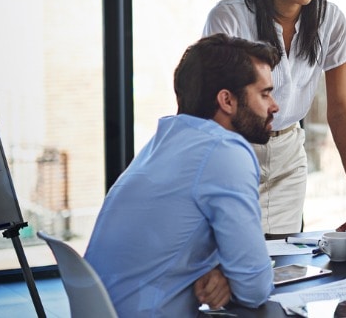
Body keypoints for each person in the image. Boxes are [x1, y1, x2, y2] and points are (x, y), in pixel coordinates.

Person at [85, 34, 278, 315]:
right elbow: (255, 288)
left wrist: (219, 270)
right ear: (227, 100)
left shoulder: (167, 141)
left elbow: (174, 238)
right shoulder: (224, 151)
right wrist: (230, 275)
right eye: (264, 93)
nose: (275, 106)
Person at [203, 0, 346, 235]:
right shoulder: (229, 18)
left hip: (289, 154)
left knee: (285, 263)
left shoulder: (330, 21)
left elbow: (339, 109)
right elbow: (207, 109)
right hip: (235, 152)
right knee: (236, 260)